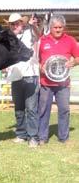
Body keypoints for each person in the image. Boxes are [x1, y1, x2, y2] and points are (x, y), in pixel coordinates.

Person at [38, 14, 79, 145]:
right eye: (55, 27)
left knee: (64, 110)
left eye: (60, 27)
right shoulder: (42, 40)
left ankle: (63, 137)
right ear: (50, 27)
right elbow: (35, 60)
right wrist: (40, 67)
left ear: (64, 27)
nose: (58, 30)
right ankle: (42, 137)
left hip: (63, 83)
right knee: (43, 110)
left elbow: (78, 57)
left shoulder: (70, 40)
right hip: (46, 83)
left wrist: (73, 62)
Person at [5, 13, 41, 147]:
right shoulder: (10, 39)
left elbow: (39, 35)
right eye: (12, 24)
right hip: (15, 76)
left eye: (17, 23)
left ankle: (33, 137)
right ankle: (21, 135)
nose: (15, 26)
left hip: (30, 75)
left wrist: (33, 26)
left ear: (22, 23)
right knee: (19, 109)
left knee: (31, 109)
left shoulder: (30, 32)